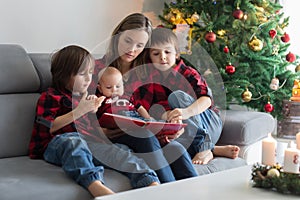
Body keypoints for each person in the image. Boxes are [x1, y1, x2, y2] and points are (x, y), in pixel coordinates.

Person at [28, 45, 160, 198]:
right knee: (74, 142)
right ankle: (95, 185)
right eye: (82, 74)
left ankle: (150, 183)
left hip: (89, 142)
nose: (88, 78)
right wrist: (79, 111)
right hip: (57, 145)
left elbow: (91, 130)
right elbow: (49, 126)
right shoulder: (50, 97)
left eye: (90, 73)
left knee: (121, 150)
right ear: (63, 75)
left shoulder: (85, 98)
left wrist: (96, 116)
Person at [92, 13, 198, 182]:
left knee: (176, 149)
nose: (132, 49)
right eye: (127, 41)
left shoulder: (147, 74)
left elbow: (160, 108)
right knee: (147, 137)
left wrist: (171, 125)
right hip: (112, 134)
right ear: (117, 37)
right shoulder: (96, 70)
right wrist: (101, 132)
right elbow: (80, 110)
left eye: (139, 45)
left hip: (144, 130)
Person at [133, 27, 240, 165]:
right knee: (169, 146)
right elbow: (145, 108)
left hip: (208, 122)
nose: (162, 57)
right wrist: (168, 116)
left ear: (177, 54)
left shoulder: (187, 73)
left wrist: (186, 112)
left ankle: (205, 146)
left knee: (176, 97)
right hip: (185, 130)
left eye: (167, 51)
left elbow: (206, 100)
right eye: (156, 53)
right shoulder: (150, 79)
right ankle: (213, 149)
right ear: (150, 57)